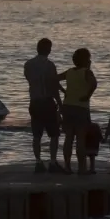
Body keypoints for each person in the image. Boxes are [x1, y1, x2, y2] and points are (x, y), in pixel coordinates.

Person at [23, 38, 65, 174]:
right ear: (48, 49)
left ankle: (38, 162)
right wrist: (60, 103)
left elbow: (30, 80)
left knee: (37, 135)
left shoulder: (28, 65)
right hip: (47, 102)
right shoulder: (50, 65)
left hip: (34, 101)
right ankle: (52, 162)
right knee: (54, 134)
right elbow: (52, 85)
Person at [57, 48, 97, 175]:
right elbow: (94, 84)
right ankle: (82, 168)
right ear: (86, 60)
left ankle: (67, 166)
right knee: (80, 138)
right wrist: (88, 96)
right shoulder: (87, 72)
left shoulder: (69, 72)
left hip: (68, 106)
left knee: (69, 137)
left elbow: (53, 79)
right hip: (81, 107)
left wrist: (64, 91)